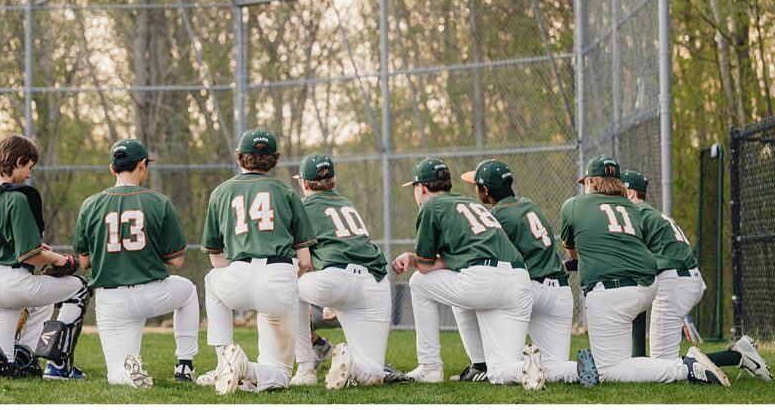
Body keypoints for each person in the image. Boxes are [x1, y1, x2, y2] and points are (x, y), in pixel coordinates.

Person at [560, 155, 729, 385]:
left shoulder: (573, 205)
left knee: (610, 370)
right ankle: (661, 362)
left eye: (586, 182)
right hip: (649, 284)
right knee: (629, 353)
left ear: (591, 182)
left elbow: (573, 252)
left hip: (614, 290)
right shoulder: (631, 206)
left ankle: (687, 368)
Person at [0, 134, 91, 380]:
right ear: (19, 160)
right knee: (80, 288)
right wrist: (60, 260)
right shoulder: (16, 197)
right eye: (28, 167)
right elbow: (31, 254)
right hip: (15, 282)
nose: (29, 174)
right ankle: (59, 367)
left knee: (3, 367)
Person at [391, 158, 543, 389]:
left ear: (421, 187)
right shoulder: (473, 203)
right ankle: (541, 367)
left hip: (482, 281)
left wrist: (411, 260)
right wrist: (414, 259)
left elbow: (424, 266)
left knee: (418, 282)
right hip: (518, 282)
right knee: (501, 370)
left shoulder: (431, 206)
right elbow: (458, 259)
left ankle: (430, 366)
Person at [620, 169, 771, 380]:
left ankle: (736, 355)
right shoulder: (651, 212)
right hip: (685, 278)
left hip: (673, 281)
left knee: (662, 368)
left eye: (617, 191)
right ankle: (736, 354)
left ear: (629, 193)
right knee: (662, 365)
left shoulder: (634, 213)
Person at [454, 159, 595, 386]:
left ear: (485, 190)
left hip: (528, 291)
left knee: (498, 370)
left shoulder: (497, 216)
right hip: (559, 292)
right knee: (554, 366)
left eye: (476, 185)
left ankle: (485, 366)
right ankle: (579, 369)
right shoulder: (529, 204)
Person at [72, 138, 199, 387]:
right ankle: (185, 362)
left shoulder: (90, 204)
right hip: (152, 293)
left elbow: (84, 261)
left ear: (112, 169)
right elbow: (178, 260)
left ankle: (128, 372)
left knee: (116, 375)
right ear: (142, 165)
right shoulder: (158, 201)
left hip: (111, 301)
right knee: (188, 291)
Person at [198, 128, 316, 395]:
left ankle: (225, 360)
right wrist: (285, 281)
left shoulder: (221, 191)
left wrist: (243, 274)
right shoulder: (286, 191)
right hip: (279, 275)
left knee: (211, 279)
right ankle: (246, 368)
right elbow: (306, 261)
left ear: (240, 158)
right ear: (274, 160)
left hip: (236, 275)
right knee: (280, 375)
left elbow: (215, 256)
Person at [291, 153, 391, 389]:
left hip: (334, 281)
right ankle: (350, 363)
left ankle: (306, 369)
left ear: (304, 184)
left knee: (285, 281)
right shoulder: (347, 204)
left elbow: (300, 258)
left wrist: (324, 299)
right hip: (375, 283)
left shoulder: (302, 206)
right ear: (333, 182)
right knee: (372, 374)